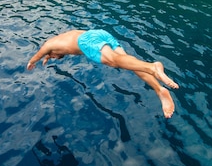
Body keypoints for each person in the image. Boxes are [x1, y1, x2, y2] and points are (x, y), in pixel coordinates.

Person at [27, 29, 179, 118]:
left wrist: (32, 62)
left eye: (52, 57)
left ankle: (153, 67)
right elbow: (49, 52)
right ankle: (160, 90)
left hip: (86, 41)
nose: (54, 57)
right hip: (99, 33)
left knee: (113, 61)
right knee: (126, 62)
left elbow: (40, 53)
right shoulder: (56, 42)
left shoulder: (48, 45)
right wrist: (47, 57)